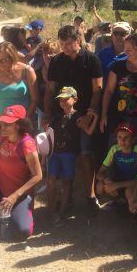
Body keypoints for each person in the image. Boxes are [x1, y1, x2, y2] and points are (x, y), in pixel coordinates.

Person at [45, 24, 103, 212]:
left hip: (84, 115)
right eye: (62, 44)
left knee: (86, 155)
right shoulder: (56, 62)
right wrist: (47, 117)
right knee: (62, 155)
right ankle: (65, 198)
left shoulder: (92, 60)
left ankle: (90, 196)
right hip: (61, 117)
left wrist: (90, 113)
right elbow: (50, 90)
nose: (65, 47)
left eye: (69, 43)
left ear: (78, 40)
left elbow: (97, 90)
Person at [0, 105, 43, 240]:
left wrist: (15, 196)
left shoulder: (26, 144)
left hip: (19, 195)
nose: (2, 127)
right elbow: (2, 156)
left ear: (18, 125)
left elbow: (38, 176)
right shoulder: (5, 139)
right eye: (2, 123)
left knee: (23, 232)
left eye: (7, 124)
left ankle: (9, 215)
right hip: (0, 190)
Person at [47, 87, 96, 225]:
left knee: (67, 182)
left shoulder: (78, 117)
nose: (62, 102)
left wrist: (96, 117)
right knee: (50, 181)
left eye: (66, 99)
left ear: (75, 99)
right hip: (55, 153)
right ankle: (51, 211)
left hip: (69, 153)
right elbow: (49, 135)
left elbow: (89, 131)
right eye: (60, 100)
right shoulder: (56, 117)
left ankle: (61, 213)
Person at [100, 33, 137, 143]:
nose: (126, 52)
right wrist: (104, 115)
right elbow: (108, 91)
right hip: (118, 118)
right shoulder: (118, 66)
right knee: (115, 152)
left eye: (130, 49)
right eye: (125, 48)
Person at [0, 41, 38, 126]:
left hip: (20, 124)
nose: (0, 64)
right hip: (0, 124)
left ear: (12, 57)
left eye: (3, 60)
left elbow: (35, 100)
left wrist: (24, 121)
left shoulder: (27, 71)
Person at [96, 123, 137, 208]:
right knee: (100, 186)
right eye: (119, 137)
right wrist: (106, 180)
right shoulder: (114, 149)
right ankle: (118, 202)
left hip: (132, 183)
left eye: (126, 138)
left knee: (129, 192)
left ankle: (133, 210)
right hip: (118, 181)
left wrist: (115, 185)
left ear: (133, 139)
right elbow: (100, 172)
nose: (122, 141)